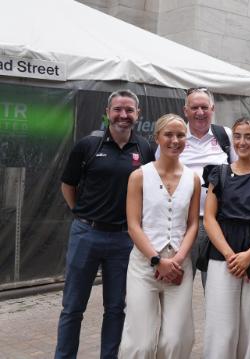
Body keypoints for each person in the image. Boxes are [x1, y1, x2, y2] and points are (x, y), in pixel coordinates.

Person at [56, 89, 155, 358]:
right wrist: (81, 214)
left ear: (138, 114)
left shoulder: (146, 149)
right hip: (87, 234)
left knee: (115, 308)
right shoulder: (88, 145)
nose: (123, 115)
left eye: (129, 110)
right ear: (107, 112)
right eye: (118, 109)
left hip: (124, 239)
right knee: (72, 307)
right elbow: (68, 185)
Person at [119, 114, 201, 358]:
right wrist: (157, 260)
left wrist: (177, 260)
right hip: (145, 266)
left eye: (180, 135)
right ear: (157, 138)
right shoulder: (139, 176)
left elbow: (193, 224)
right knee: (141, 343)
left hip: (179, 265)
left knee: (176, 340)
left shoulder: (193, 178)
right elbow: (133, 224)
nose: (175, 140)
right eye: (169, 135)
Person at [202, 118, 250, 359]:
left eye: (248, 136)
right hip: (223, 257)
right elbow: (210, 218)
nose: (242, 142)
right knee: (221, 327)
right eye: (237, 136)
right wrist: (230, 255)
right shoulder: (219, 172)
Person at [161, 87, 237, 288]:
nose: (200, 112)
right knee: (178, 285)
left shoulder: (225, 135)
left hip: (218, 222)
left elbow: (238, 173)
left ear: (213, 109)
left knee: (215, 287)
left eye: (205, 107)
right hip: (181, 223)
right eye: (194, 107)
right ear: (185, 110)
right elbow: (158, 177)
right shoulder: (175, 136)